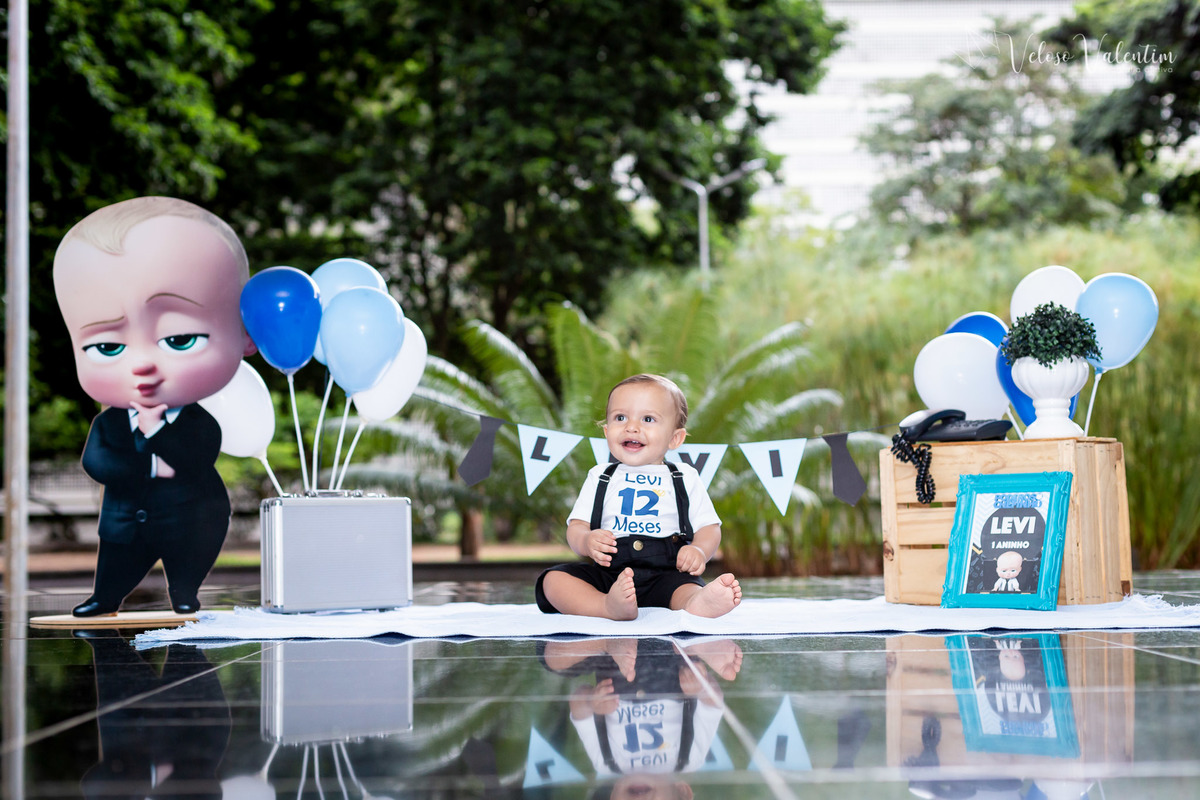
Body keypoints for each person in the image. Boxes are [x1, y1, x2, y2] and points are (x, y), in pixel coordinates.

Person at [53, 196, 256, 617]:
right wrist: (149, 468)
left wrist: (157, 431)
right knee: (115, 564)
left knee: (187, 562)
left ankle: (184, 591)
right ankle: (105, 596)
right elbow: (97, 463)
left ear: (244, 336)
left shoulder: (199, 422)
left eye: (179, 338)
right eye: (107, 346)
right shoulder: (109, 425)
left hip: (191, 519)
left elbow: (196, 457)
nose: (142, 364)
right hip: (124, 523)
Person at [535, 374, 741, 619]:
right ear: (607, 430)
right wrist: (587, 540)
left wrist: (698, 549)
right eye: (620, 417)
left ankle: (697, 603)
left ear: (675, 438)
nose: (632, 427)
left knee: (685, 588)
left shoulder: (684, 476)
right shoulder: (601, 475)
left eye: (648, 419)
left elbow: (709, 528)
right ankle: (605, 606)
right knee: (553, 580)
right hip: (609, 574)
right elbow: (576, 526)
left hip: (668, 574)